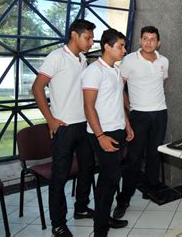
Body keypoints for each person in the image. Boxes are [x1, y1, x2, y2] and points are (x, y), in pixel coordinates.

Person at [32, 19, 96, 237]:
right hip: (64, 126)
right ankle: (58, 223)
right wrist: (50, 119)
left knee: (87, 168)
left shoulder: (82, 59)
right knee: (60, 176)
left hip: (83, 124)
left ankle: (81, 207)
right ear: (74, 35)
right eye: (87, 37)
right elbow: (37, 87)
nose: (91, 42)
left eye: (92, 38)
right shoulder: (56, 57)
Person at [82, 29, 134, 237]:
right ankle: (100, 230)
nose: (124, 49)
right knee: (108, 180)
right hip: (103, 133)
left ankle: (104, 218)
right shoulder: (94, 71)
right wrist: (100, 136)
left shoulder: (115, 69)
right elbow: (88, 106)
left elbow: (118, 100)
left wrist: (127, 125)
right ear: (107, 46)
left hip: (118, 129)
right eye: (120, 46)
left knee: (112, 178)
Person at [113, 26, 169, 219]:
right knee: (134, 158)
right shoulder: (128, 60)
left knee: (155, 154)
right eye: (145, 39)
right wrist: (129, 109)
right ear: (140, 40)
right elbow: (119, 89)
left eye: (152, 39)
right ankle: (124, 199)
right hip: (139, 115)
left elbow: (161, 83)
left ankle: (150, 188)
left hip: (160, 113)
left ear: (158, 42)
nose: (148, 42)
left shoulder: (164, 61)